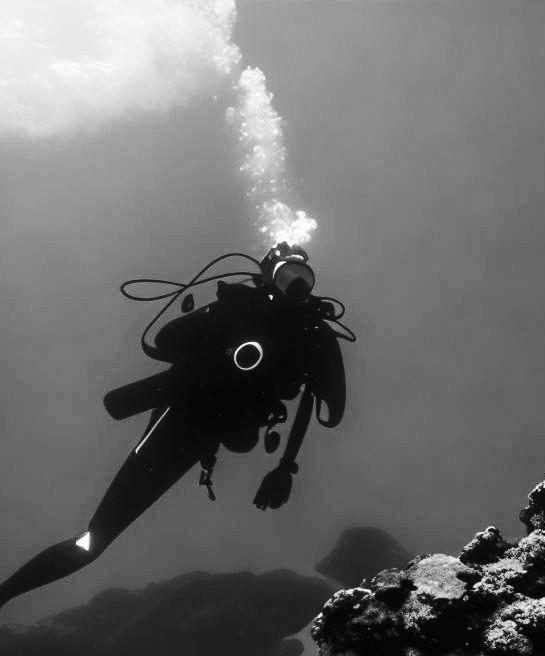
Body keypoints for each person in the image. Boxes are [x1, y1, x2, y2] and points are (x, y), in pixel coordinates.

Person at [0, 243, 352, 611]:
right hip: (181, 423)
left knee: (95, 541)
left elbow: (316, 402)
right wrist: (225, 317)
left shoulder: (314, 333)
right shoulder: (239, 307)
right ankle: (3, 595)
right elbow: (165, 341)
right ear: (265, 277)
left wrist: (286, 467)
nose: (295, 281)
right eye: (284, 273)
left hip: (213, 432)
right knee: (94, 540)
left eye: (301, 274)